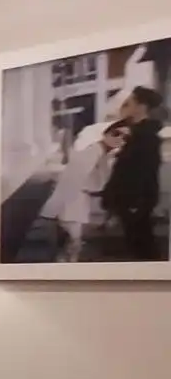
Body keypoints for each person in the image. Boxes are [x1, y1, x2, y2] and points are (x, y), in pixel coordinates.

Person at [39, 123, 126, 260]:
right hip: (72, 203)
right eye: (116, 134)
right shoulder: (92, 152)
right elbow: (71, 180)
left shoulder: (102, 154)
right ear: (105, 134)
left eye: (125, 137)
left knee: (72, 245)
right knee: (71, 245)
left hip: (78, 203)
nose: (119, 139)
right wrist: (52, 211)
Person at [101, 86, 166, 260]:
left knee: (142, 244)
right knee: (137, 242)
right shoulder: (135, 132)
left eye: (128, 103)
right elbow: (108, 133)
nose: (124, 106)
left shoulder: (146, 138)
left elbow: (143, 172)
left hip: (136, 199)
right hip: (131, 198)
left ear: (141, 106)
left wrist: (136, 202)